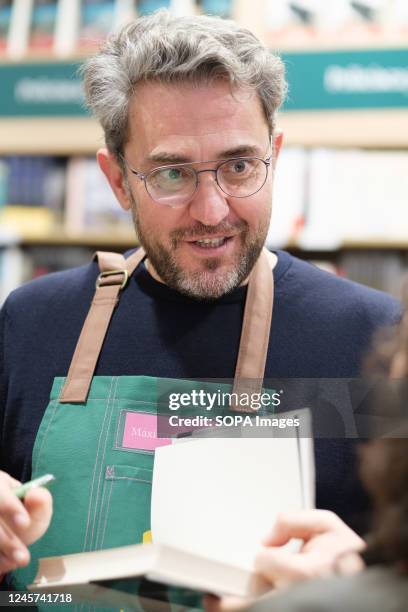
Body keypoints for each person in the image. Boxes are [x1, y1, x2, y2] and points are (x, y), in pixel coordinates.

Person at [0, 9, 401, 596]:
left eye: (239, 166)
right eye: (172, 174)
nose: (212, 211)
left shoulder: (373, 340)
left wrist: (362, 583)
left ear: (275, 155)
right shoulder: (30, 325)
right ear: (118, 181)